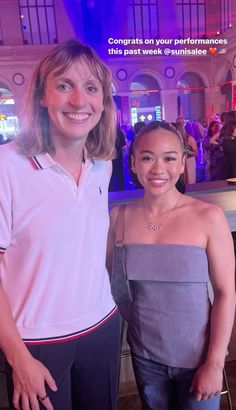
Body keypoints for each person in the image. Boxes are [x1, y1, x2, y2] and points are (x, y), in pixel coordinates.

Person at [0, 39, 121, 410]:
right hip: (36, 343)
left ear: (103, 101)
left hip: (102, 326)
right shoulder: (8, 165)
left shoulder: (103, 166)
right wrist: (18, 358)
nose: (78, 100)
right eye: (64, 85)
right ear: (42, 95)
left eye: (90, 88)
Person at [107, 121, 235, 410]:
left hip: (199, 359)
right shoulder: (120, 218)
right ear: (134, 163)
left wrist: (215, 363)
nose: (158, 169)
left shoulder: (208, 217)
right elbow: (114, 287)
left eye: (169, 158)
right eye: (148, 157)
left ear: (182, 163)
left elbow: (226, 293)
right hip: (146, 359)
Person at [176, 117, 198, 183]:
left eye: (181, 123)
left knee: (190, 181)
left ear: (184, 124)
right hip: (179, 162)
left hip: (189, 161)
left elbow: (196, 153)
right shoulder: (174, 137)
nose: (180, 125)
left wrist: (187, 151)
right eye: (178, 123)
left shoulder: (189, 138)